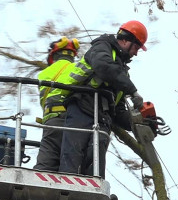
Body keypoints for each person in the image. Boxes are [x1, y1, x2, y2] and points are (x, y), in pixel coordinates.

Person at [57, 20, 148, 178]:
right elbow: (103, 66)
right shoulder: (102, 47)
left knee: (95, 163)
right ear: (126, 40)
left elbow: (119, 112)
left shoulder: (122, 74)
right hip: (82, 108)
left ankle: (92, 194)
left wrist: (142, 121)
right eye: (136, 47)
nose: (136, 53)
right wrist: (133, 91)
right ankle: (66, 189)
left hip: (102, 119)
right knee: (73, 155)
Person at [34, 36, 80, 171]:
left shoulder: (44, 73)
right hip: (72, 121)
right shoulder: (78, 68)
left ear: (53, 55)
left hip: (50, 122)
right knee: (72, 166)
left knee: (45, 164)